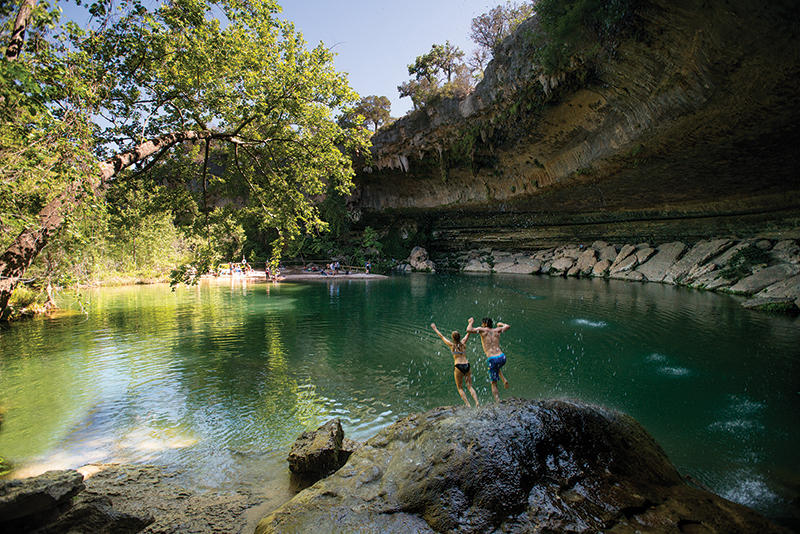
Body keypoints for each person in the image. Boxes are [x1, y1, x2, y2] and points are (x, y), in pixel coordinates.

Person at [431, 322, 480, 407]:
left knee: (460, 387)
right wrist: (470, 323)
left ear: (453, 338)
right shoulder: (463, 343)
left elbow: (441, 336)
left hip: (458, 366)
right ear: (460, 337)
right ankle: (477, 402)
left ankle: (468, 404)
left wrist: (435, 328)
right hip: (466, 364)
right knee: (469, 386)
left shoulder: (451, 345)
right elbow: (469, 332)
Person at [466, 317, 510, 403]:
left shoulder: (482, 330)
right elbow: (507, 326)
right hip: (502, 357)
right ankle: (504, 379)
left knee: (493, 383)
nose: (481, 325)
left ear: (485, 324)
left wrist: (471, 322)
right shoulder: (497, 330)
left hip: (492, 358)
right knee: (496, 366)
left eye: (482, 323)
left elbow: (468, 330)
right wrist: (500, 324)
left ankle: (497, 402)